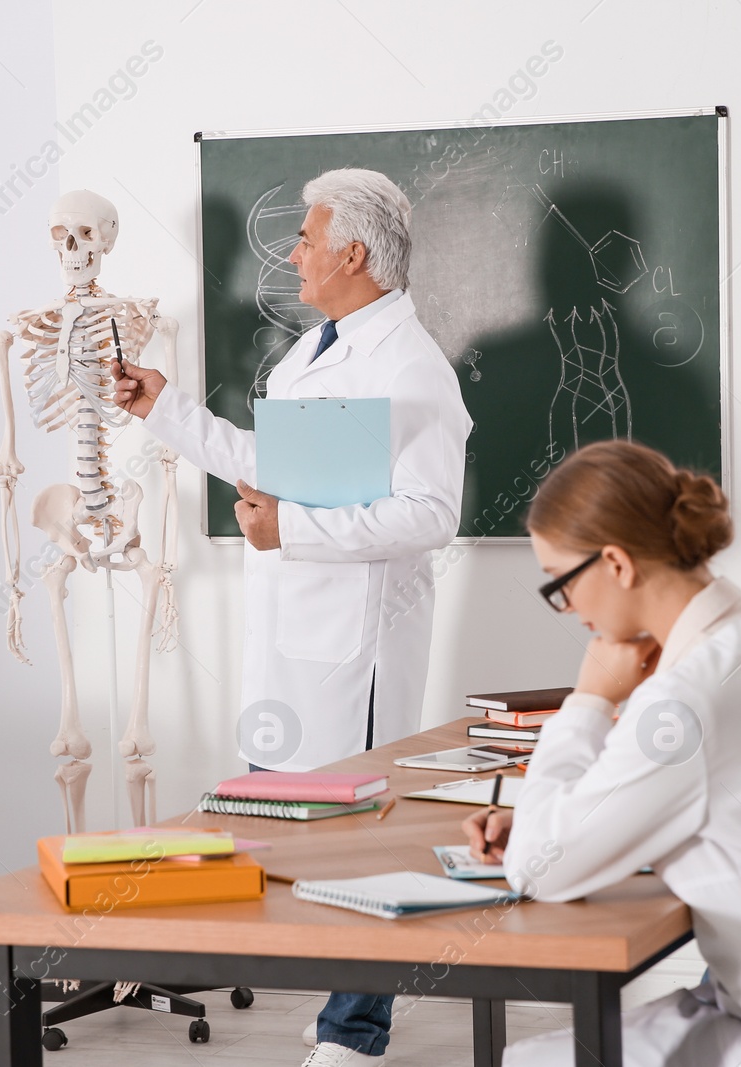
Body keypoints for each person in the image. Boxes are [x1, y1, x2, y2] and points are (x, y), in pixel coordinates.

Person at [115, 168, 472, 1066]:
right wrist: (166, 409)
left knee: (363, 842)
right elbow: (264, 466)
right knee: (285, 827)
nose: (293, 251)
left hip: (355, 648)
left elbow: (433, 514)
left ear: (353, 252)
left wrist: (295, 528)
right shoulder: (313, 351)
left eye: (307, 238)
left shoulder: (409, 363)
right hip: (289, 637)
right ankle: (341, 1004)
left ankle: (358, 1030)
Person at [463, 440, 741, 1067]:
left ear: (616, 564)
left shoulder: (686, 698)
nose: (569, 610)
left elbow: (539, 869)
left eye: (560, 585)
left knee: (528, 1063)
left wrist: (589, 698)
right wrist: (572, 813)